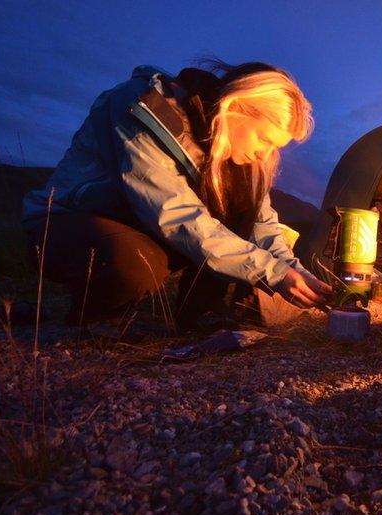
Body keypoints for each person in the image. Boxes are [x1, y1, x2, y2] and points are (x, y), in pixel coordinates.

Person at [21, 61, 332, 329]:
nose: (265, 153)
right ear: (235, 107)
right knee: (135, 265)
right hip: (68, 222)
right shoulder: (144, 108)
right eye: (264, 139)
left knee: (240, 201)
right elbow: (176, 216)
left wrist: (296, 273)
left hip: (143, 230)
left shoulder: (236, 155)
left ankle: (202, 311)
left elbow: (263, 226)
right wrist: (273, 273)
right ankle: (95, 318)